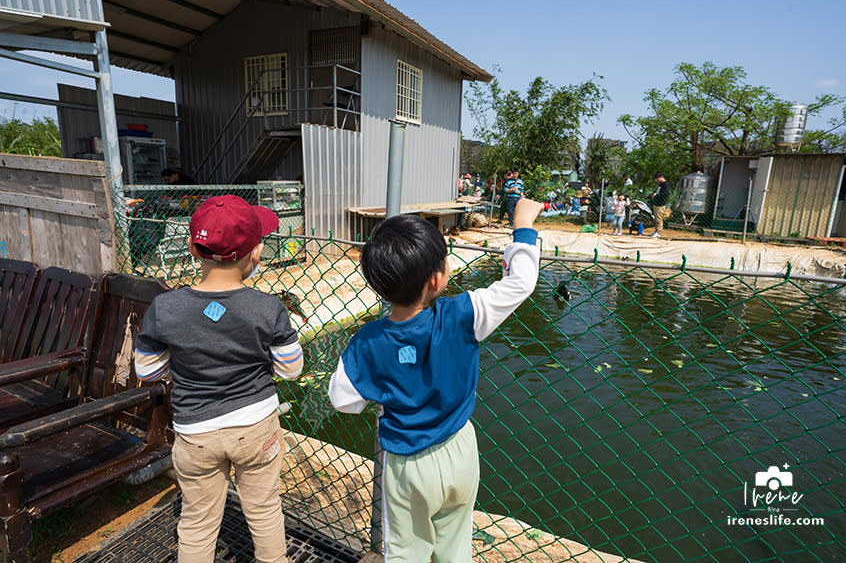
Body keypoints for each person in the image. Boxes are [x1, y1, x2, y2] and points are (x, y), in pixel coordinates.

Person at [328, 198, 544, 562]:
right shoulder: (463, 315)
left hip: (407, 465)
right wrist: (522, 224)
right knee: (455, 544)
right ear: (437, 278)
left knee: (406, 550)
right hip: (460, 449)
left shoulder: (367, 341)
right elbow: (522, 282)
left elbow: (343, 401)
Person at [134, 195, 304, 563]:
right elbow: (292, 369)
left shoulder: (165, 308)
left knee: (197, 521)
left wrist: (185, 365)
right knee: (264, 510)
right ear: (255, 253)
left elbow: (146, 371)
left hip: (196, 432)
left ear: (195, 249)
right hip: (256, 427)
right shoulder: (268, 308)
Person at [649, 171, 671, 237]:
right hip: (656, 203)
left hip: (660, 204)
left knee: (659, 219)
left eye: (657, 179)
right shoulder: (661, 185)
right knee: (656, 218)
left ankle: (658, 232)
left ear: (661, 177)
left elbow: (665, 194)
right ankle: (656, 231)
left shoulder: (666, 185)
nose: (656, 180)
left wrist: (656, 195)